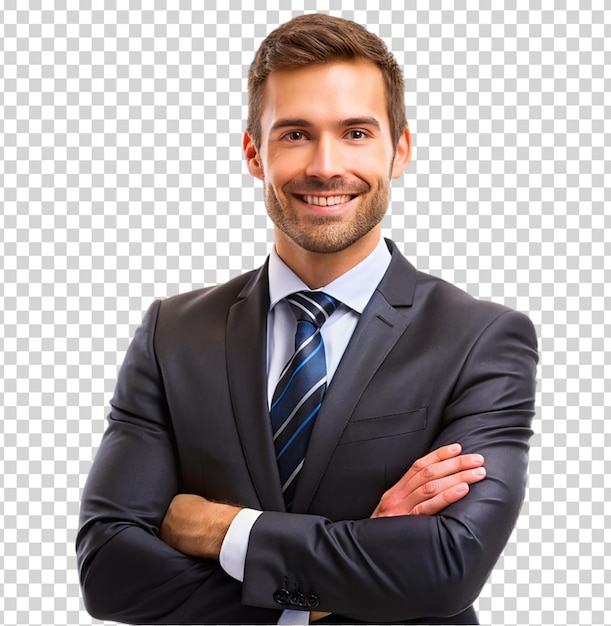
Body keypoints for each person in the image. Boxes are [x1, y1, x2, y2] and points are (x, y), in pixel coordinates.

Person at [76, 13, 538, 625]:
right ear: (253, 153)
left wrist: (222, 528)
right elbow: (109, 573)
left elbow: (447, 567)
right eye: (295, 134)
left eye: (355, 133)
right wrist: (357, 566)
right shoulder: (173, 334)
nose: (325, 165)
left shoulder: (480, 340)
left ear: (399, 151)